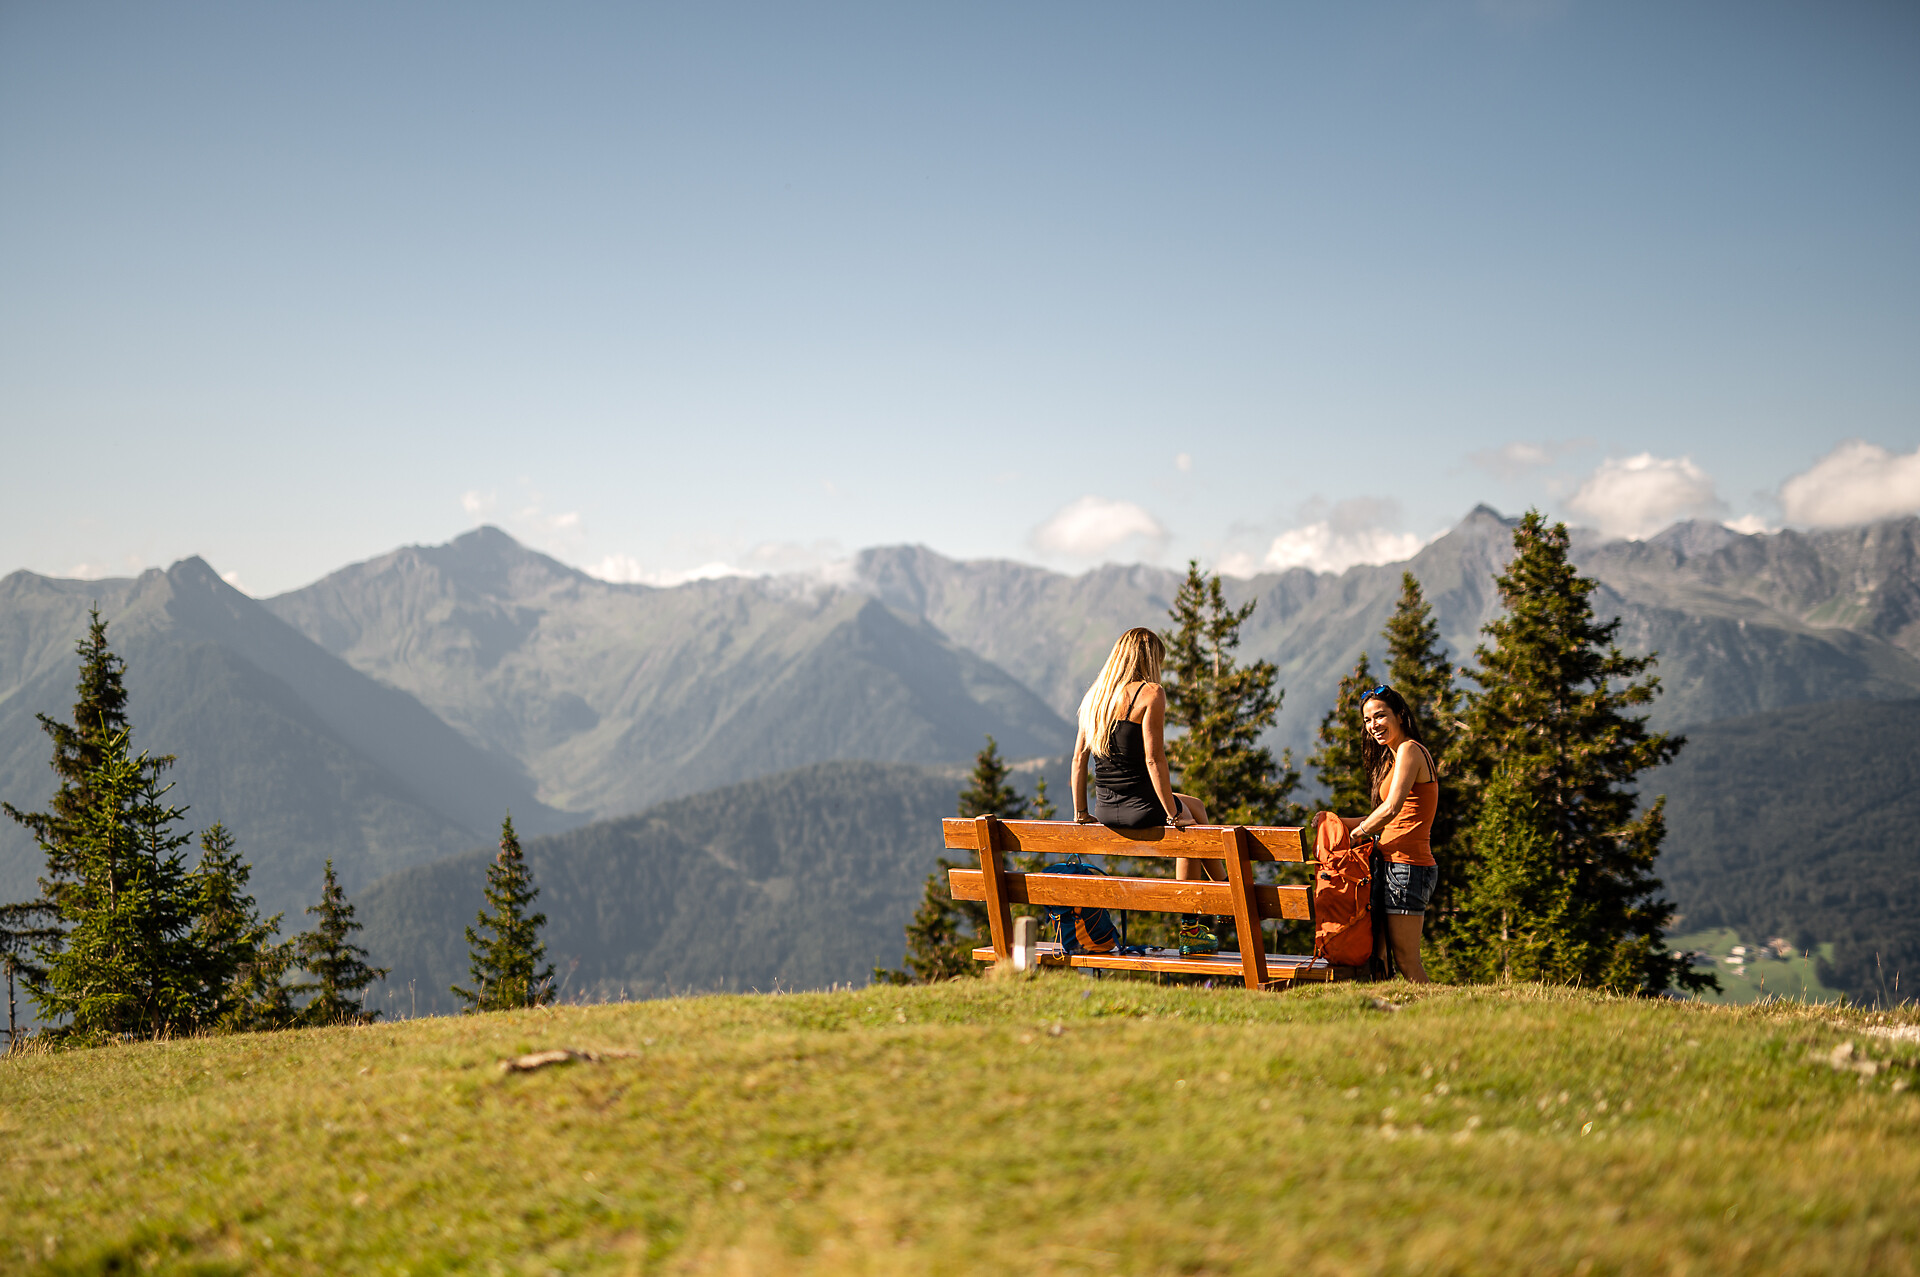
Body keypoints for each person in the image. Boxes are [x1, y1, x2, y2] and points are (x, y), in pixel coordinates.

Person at [1068, 627, 1219, 955]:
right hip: (1141, 807)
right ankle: (1194, 927)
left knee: (1196, 806)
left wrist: (1081, 812)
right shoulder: (1151, 693)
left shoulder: (1095, 697)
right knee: (1189, 824)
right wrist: (1172, 814)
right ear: (1149, 659)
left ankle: (1221, 887)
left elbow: (1079, 760)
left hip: (1106, 809)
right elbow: (1154, 759)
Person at [1318, 684, 1439, 982]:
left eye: (1380, 716)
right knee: (1380, 959)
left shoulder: (1410, 750)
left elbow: (1391, 809)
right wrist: (1335, 821)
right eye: (1367, 720)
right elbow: (1384, 815)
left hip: (1407, 867)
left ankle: (1436, 1009)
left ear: (1400, 715)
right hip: (1390, 865)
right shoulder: (1394, 757)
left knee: (1407, 961)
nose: (1373, 725)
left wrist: (1355, 834)